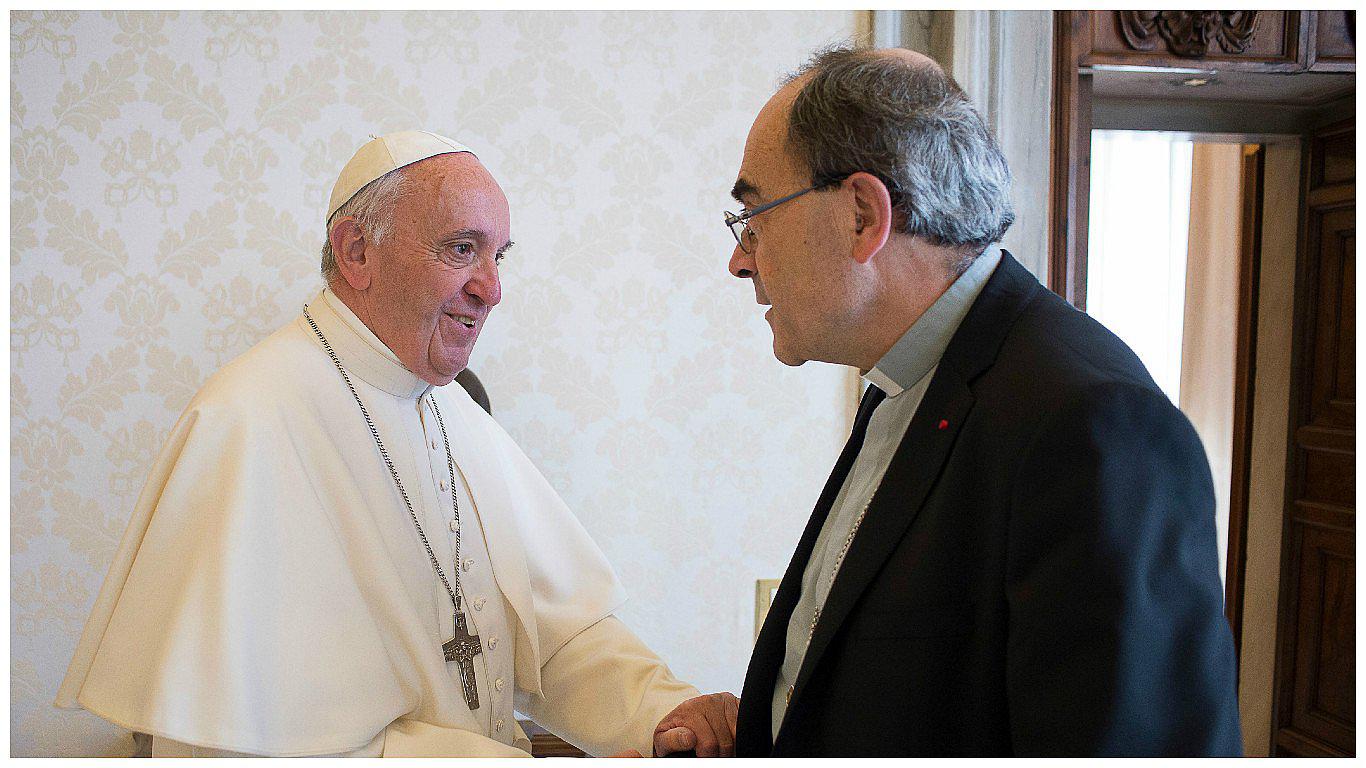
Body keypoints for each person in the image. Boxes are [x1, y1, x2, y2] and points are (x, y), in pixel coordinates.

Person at [57, 131, 738, 757]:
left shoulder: (450, 412)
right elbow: (241, 748)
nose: (492, 289)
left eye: (498, 257)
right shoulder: (246, 420)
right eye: (461, 249)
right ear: (357, 252)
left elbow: (555, 635)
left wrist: (663, 712)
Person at [721, 47, 1242, 756]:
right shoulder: (908, 382)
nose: (741, 257)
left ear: (863, 216)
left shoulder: (1093, 422)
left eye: (755, 216)